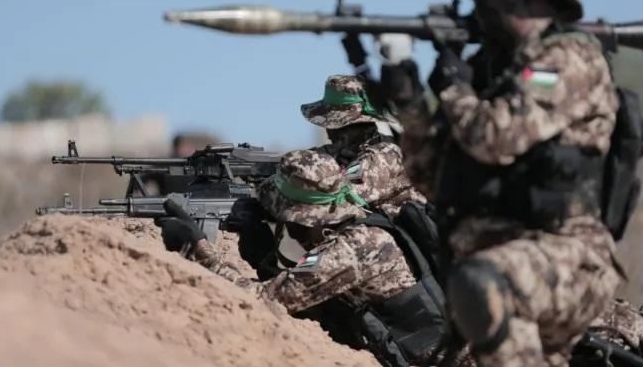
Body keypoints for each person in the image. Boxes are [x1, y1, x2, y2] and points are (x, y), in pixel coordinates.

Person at [383, 0, 623, 367]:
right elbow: (432, 180)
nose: (479, 3)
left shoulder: (569, 58)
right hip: (499, 265)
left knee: (481, 284)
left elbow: (495, 138)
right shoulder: (492, 74)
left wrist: (454, 89)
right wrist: (410, 102)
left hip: (565, 259)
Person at [156, 149, 448, 367]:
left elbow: (263, 300)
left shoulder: (352, 249)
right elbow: (306, 296)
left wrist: (198, 249)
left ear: (304, 217)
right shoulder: (363, 226)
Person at [303, 74, 426, 217]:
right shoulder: (360, 150)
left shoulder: (380, 155)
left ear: (348, 127)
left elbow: (336, 199)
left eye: (331, 125)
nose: (328, 133)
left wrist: (314, 166)